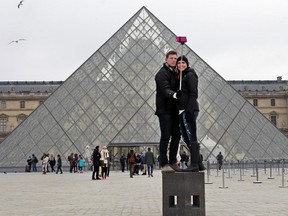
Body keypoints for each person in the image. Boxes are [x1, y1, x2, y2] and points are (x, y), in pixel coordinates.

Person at [176, 55, 205, 172]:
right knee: (186, 137)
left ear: (187, 64)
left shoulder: (190, 75)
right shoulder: (181, 76)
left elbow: (194, 93)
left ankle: (194, 165)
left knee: (191, 136)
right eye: (179, 63)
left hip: (189, 110)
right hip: (182, 111)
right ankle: (199, 163)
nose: (180, 65)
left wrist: (189, 109)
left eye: (183, 63)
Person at [155, 50, 182, 172]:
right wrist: (175, 95)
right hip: (165, 110)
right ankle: (164, 163)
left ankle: (172, 161)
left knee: (177, 135)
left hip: (175, 110)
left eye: (175, 58)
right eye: (171, 58)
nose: (174, 60)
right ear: (166, 59)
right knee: (165, 137)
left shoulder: (178, 74)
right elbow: (165, 90)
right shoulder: (161, 74)